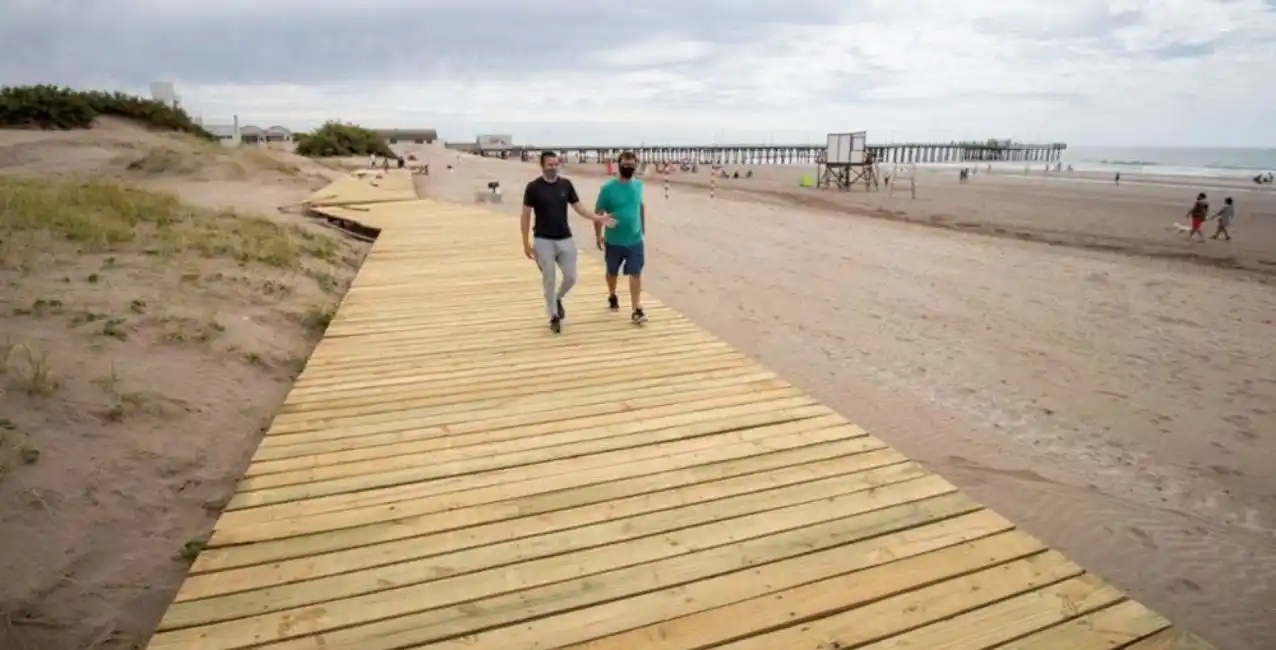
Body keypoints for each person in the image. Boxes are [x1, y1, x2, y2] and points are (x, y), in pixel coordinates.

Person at [521, 151, 613, 333]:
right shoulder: (533, 188)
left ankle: (558, 298)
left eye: (556, 164)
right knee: (549, 279)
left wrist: (598, 218)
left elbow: (579, 208)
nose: (553, 168)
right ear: (542, 165)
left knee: (571, 277)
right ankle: (553, 316)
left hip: (565, 238)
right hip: (542, 239)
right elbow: (525, 215)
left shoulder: (566, 184)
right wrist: (525, 242)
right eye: (550, 165)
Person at [593, 151, 648, 324]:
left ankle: (636, 309)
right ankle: (612, 294)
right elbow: (598, 212)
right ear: (619, 164)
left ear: (636, 165)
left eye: (632, 163)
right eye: (626, 163)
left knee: (636, 273)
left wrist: (643, 228)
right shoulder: (608, 188)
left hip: (635, 240)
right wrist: (598, 235)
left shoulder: (638, 185)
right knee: (611, 272)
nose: (629, 166)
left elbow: (640, 205)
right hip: (613, 240)